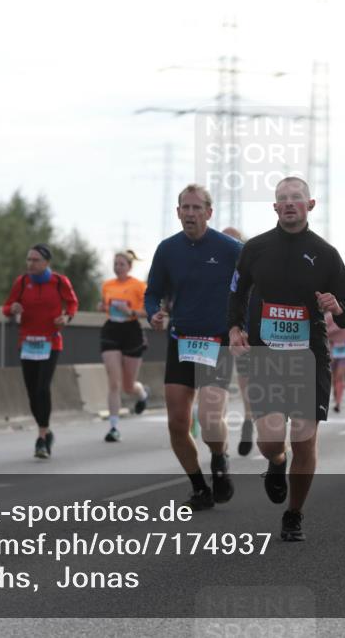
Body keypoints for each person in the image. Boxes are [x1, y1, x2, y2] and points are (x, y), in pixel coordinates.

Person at [228, 176, 345, 541]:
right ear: (274, 207)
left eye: (296, 198)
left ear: (310, 205)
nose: (289, 203)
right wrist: (235, 327)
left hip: (309, 356)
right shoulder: (255, 248)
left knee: (304, 439)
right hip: (267, 355)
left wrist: (338, 308)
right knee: (270, 442)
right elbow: (236, 293)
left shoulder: (326, 254)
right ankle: (276, 463)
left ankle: (294, 515)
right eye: (282, 198)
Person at [145, 184, 242, 510]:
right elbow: (151, 292)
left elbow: (252, 288)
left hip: (218, 342)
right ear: (177, 212)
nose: (189, 213)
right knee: (177, 423)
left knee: (210, 417)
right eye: (184, 208)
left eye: (196, 208)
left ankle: (219, 457)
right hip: (181, 341)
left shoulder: (230, 249)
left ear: (209, 212)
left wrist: (243, 326)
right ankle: (199, 487)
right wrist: (153, 314)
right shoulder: (168, 249)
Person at [2, 244, 79, 458]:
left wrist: (66, 317)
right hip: (27, 343)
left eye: (35, 260)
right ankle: (46, 429)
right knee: (32, 391)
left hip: (50, 343)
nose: (30, 264)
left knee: (43, 388)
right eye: (28, 259)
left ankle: (42, 437)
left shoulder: (59, 282)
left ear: (46, 262)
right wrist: (13, 309)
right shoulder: (22, 282)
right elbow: (7, 306)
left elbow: (72, 303)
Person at [95, 250, 148, 443]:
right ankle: (114, 427)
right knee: (114, 383)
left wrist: (131, 311)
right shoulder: (107, 285)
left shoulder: (139, 286)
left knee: (128, 386)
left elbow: (148, 312)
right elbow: (104, 305)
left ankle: (141, 393)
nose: (117, 267)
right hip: (111, 331)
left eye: (121, 264)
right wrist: (102, 307)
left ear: (129, 267)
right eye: (115, 264)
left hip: (132, 332)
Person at [221, 227, 256, 456]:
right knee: (215, 384)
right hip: (215, 331)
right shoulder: (212, 265)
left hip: (242, 330)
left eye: (233, 240)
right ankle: (216, 425)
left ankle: (248, 418)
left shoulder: (250, 267)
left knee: (246, 381)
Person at [328, 312, 345, 413]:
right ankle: (336, 393)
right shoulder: (328, 316)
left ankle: (338, 403)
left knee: (340, 377)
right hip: (332, 352)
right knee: (333, 378)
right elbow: (324, 332)